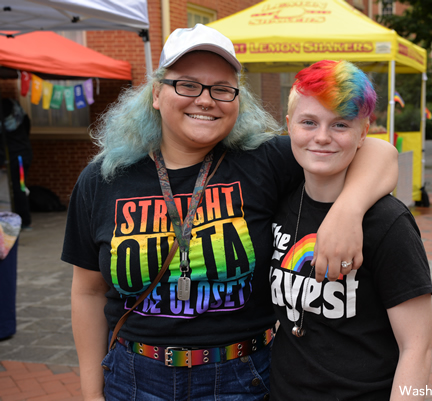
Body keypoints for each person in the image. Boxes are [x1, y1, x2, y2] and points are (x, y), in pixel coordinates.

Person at [61, 24, 399, 401]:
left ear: (238, 99)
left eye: (222, 89)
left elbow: (378, 152)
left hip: (243, 379)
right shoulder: (104, 178)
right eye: (187, 85)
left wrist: (347, 212)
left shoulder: (264, 161)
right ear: (157, 93)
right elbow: (88, 293)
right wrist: (92, 394)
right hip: (136, 378)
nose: (206, 100)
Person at [269, 60, 432, 400]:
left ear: (363, 133)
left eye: (340, 124)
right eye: (308, 122)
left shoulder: (388, 222)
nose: (322, 137)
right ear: (289, 126)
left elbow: (416, 348)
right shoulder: (279, 200)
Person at [0, 98, 32, 229]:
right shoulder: (19, 114)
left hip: (19, 157)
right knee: (19, 187)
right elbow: (27, 125)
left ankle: (24, 221)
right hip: (22, 153)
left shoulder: (3, 124)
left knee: (19, 188)